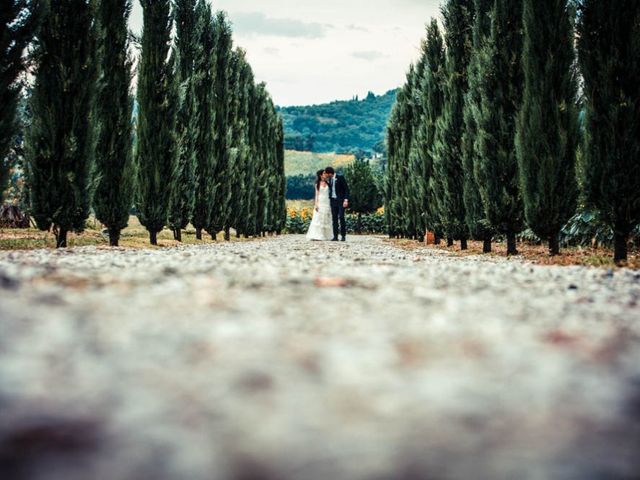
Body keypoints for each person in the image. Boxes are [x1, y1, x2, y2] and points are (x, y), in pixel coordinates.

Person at [306, 169, 333, 241]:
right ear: (321, 175)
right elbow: (316, 195)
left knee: (326, 218)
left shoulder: (328, 183)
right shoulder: (317, 184)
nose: (325, 175)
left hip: (327, 201)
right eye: (324, 173)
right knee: (318, 218)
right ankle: (317, 235)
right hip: (320, 201)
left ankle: (326, 235)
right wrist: (316, 205)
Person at [324, 166, 349, 241]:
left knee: (341, 217)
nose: (326, 175)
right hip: (333, 201)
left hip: (341, 201)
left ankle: (343, 235)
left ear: (330, 173)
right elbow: (331, 188)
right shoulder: (330, 179)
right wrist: (325, 181)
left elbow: (346, 189)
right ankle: (335, 236)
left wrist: (346, 200)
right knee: (334, 219)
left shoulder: (340, 177)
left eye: (326, 174)